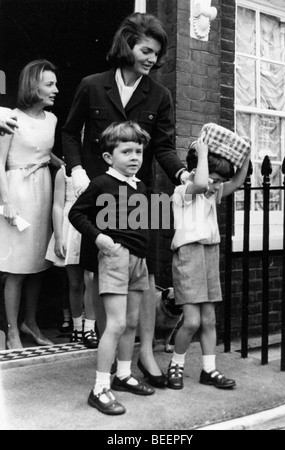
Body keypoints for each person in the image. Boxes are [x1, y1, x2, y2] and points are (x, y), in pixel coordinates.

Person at [62, 12, 189, 387]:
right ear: (127, 45)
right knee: (101, 275)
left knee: (145, 276)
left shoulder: (160, 95)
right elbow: (70, 133)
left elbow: (163, 147)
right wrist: (76, 170)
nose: (151, 58)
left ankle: (146, 355)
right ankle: (116, 364)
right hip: (100, 191)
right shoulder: (92, 85)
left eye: (156, 53)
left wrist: (181, 174)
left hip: (141, 195)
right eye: (145, 50)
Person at [69, 121, 155, 416]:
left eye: (139, 151)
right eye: (126, 151)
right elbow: (76, 214)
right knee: (116, 324)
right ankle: (99, 388)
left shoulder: (140, 186)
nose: (134, 157)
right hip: (115, 259)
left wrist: (142, 255)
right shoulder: (101, 184)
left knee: (131, 324)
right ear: (109, 157)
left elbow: (144, 224)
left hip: (137, 262)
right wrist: (99, 238)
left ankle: (123, 374)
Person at [167, 136, 251, 390]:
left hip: (210, 254)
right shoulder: (184, 192)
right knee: (191, 321)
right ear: (196, 171)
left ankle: (209, 369)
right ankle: (176, 364)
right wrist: (202, 152)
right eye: (214, 181)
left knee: (209, 320)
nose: (216, 187)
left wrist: (245, 156)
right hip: (188, 255)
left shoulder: (211, 194)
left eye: (218, 183)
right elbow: (202, 182)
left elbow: (237, 181)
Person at [0, 60, 59, 350]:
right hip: (17, 192)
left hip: (43, 191)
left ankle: (31, 323)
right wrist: (6, 200)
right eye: (49, 84)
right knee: (17, 267)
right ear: (32, 86)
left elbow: (46, 154)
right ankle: (12, 330)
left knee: (39, 263)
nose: (56, 90)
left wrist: (68, 167)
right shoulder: (10, 117)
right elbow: (0, 161)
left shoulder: (52, 120)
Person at [46, 165, 98, 348]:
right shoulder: (64, 170)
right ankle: (77, 326)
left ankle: (89, 328)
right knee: (75, 283)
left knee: (91, 279)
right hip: (71, 227)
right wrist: (59, 236)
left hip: (91, 225)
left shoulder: (98, 165)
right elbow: (57, 205)